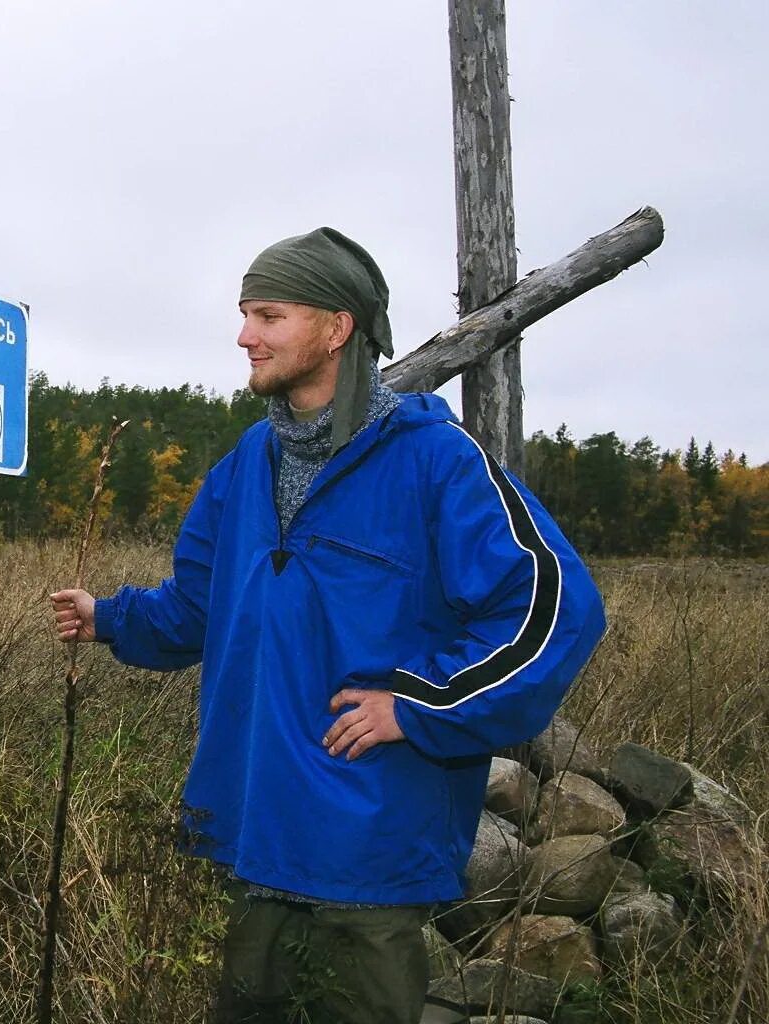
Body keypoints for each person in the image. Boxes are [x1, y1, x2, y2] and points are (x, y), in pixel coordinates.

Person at [49, 228, 606, 1024]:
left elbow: (554, 608)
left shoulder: (435, 460)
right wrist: (111, 618)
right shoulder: (247, 463)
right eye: (245, 314)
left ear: (337, 326)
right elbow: (202, 608)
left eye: (268, 315)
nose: (245, 335)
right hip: (254, 835)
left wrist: (416, 704)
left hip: (366, 850)